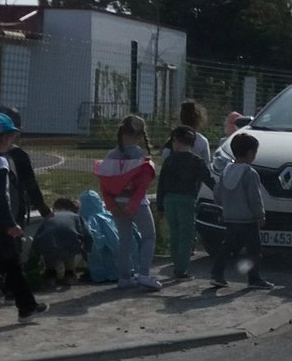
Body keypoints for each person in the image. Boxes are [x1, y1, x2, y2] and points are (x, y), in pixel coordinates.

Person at [0, 112, 50, 321]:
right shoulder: (12, 157)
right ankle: (16, 296)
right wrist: (43, 208)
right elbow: (29, 185)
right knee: (11, 254)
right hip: (10, 212)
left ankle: (10, 291)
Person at [95, 115, 162, 291]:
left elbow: (104, 184)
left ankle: (124, 278)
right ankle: (144, 274)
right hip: (138, 205)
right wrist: (132, 205)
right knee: (149, 236)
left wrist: (111, 205)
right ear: (140, 135)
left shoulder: (111, 155)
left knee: (124, 239)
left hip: (117, 203)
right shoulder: (141, 156)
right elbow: (142, 187)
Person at [210, 133, 274, 289]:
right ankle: (254, 278)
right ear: (251, 153)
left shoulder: (226, 171)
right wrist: (260, 216)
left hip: (230, 217)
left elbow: (217, 193)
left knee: (227, 247)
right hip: (248, 220)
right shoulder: (250, 173)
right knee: (254, 250)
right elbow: (254, 198)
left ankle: (216, 274)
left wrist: (224, 205)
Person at [156, 125, 210, 279]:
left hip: (169, 200)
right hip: (186, 200)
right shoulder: (196, 161)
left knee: (175, 232)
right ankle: (181, 268)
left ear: (176, 142)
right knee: (186, 234)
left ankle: (175, 262)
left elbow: (161, 184)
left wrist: (160, 205)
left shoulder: (169, 161)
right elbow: (208, 179)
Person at [33, 198, 91, 288]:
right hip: (70, 243)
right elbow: (86, 234)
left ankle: (50, 276)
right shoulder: (76, 217)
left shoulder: (49, 216)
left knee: (49, 252)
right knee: (70, 249)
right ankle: (69, 275)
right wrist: (87, 249)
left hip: (48, 243)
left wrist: (35, 253)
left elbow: (38, 234)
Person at [162, 100, 213, 165]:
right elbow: (207, 164)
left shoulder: (174, 140)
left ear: (181, 118)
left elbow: (165, 157)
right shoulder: (202, 141)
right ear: (198, 119)